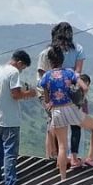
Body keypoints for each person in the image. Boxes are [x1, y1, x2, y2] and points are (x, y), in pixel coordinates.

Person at [38, 46, 93, 180]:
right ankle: (90, 158)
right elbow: (84, 87)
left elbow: (47, 99)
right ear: (62, 59)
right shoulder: (69, 72)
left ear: (50, 62)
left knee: (62, 147)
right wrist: (80, 98)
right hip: (71, 109)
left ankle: (63, 178)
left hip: (56, 111)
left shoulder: (46, 76)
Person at [0, 49, 36, 185]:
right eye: (23, 67)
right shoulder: (13, 72)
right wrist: (30, 93)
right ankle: (10, 184)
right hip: (10, 119)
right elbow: (16, 94)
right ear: (19, 63)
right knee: (10, 152)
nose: (22, 70)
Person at [37, 22, 86, 162]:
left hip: (50, 93)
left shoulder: (48, 52)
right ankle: (70, 157)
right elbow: (78, 72)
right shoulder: (78, 49)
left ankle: (53, 156)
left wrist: (48, 98)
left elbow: (43, 75)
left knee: (53, 122)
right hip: (69, 92)